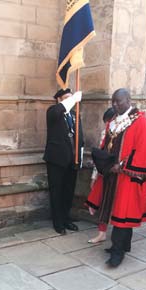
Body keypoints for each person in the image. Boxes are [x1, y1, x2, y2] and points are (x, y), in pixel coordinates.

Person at [88, 88, 146, 267]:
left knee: (123, 214)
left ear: (129, 100)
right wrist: (102, 161)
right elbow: (106, 144)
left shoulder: (140, 122)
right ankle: (123, 245)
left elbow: (144, 149)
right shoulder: (113, 120)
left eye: (118, 101)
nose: (115, 104)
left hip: (125, 177)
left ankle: (118, 252)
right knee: (113, 211)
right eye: (113, 102)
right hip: (111, 175)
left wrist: (123, 166)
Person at [43, 88, 84, 235]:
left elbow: (80, 138)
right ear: (59, 100)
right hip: (56, 160)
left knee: (68, 192)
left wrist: (79, 158)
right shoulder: (53, 112)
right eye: (67, 98)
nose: (71, 101)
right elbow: (57, 111)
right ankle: (58, 222)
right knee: (57, 192)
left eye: (71, 98)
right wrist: (72, 99)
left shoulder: (74, 115)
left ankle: (66, 219)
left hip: (72, 161)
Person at [86, 107, 116, 244]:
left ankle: (118, 233)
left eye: (108, 121)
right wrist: (94, 176)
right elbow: (99, 158)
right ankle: (102, 233)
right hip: (105, 174)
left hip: (118, 175)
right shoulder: (105, 133)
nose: (107, 125)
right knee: (102, 203)